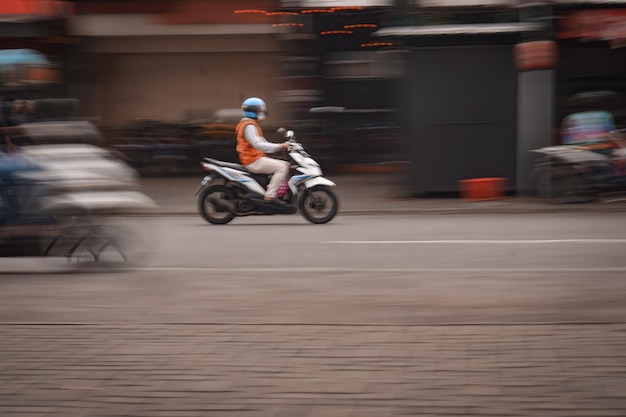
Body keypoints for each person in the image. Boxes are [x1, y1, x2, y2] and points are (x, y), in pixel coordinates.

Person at [235, 97, 290, 205]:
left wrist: (279, 147)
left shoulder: (250, 124)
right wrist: (279, 146)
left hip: (255, 158)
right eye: (259, 110)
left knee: (281, 164)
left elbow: (263, 142)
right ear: (252, 111)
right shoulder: (249, 126)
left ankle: (272, 190)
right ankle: (270, 196)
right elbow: (258, 144)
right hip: (252, 160)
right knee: (283, 167)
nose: (261, 112)